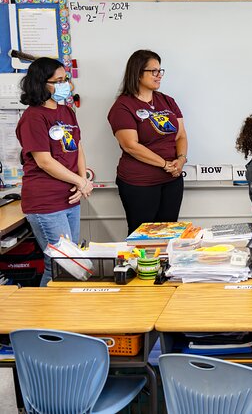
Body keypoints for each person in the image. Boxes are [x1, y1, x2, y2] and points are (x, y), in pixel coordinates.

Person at [15, 58, 93, 286]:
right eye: (57, 81)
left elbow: (77, 147)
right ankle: (45, 317)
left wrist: (82, 181)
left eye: (65, 79)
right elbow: (44, 161)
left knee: (72, 263)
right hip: (46, 201)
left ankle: (63, 315)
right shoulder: (33, 117)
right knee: (60, 264)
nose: (64, 85)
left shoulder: (67, 111)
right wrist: (79, 181)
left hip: (70, 197)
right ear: (41, 83)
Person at [107, 50, 187, 234]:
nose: (159, 76)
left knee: (168, 234)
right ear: (137, 72)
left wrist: (180, 160)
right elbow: (131, 145)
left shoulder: (167, 101)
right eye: (154, 71)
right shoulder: (123, 106)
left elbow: (181, 135)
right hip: (139, 183)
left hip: (171, 180)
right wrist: (165, 164)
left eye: (160, 71)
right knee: (141, 237)